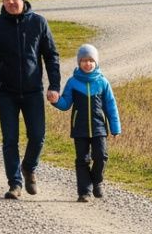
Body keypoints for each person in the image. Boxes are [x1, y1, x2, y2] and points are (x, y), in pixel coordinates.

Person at [0, 0, 61, 199]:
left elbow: (51, 56)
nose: (11, 2)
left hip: (33, 90)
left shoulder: (39, 23)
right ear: (3, 1)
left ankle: (29, 167)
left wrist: (54, 85)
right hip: (6, 92)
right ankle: (15, 183)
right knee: (10, 139)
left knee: (38, 136)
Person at [52, 44, 121, 202]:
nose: (87, 63)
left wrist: (115, 127)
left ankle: (97, 182)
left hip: (99, 128)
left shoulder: (103, 82)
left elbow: (111, 106)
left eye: (90, 60)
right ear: (79, 62)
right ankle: (84, 192)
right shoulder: (73, 82)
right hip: (80, 128)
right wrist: (56, 101)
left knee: (101, 156)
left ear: (96, 62)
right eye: (83, 60)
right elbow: (65, 104)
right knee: (82, 160)